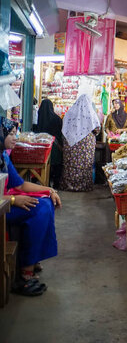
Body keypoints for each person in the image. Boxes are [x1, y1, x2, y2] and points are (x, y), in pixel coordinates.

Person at [2, 118, 62, 296]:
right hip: (3, 204)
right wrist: (13, 200)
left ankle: (33, 258)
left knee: (46, 203)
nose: (15, 138)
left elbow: (20, 185)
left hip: (7, 199)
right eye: (10, 134)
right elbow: (16, 192)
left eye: (15, 133)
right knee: (39, 210)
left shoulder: (3, 156)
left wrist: (49, 190)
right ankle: (25, 275)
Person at [60, 94, 100, 192]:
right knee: (85, 164)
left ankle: (69, 186)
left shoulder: (70, 112)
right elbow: (97, 129)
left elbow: (64, 127)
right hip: (86, 144)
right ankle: (84, 186)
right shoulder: (91, 113)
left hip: (71, 143)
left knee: (71, 164)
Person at [33, 99, 63, 188]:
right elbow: (60, 133)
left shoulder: (39, 117)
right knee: (56, 164)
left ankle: (45, 182)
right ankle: (56, 184)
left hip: (42, 145)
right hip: (55, 145)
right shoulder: (57, 119)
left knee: (45, 164)